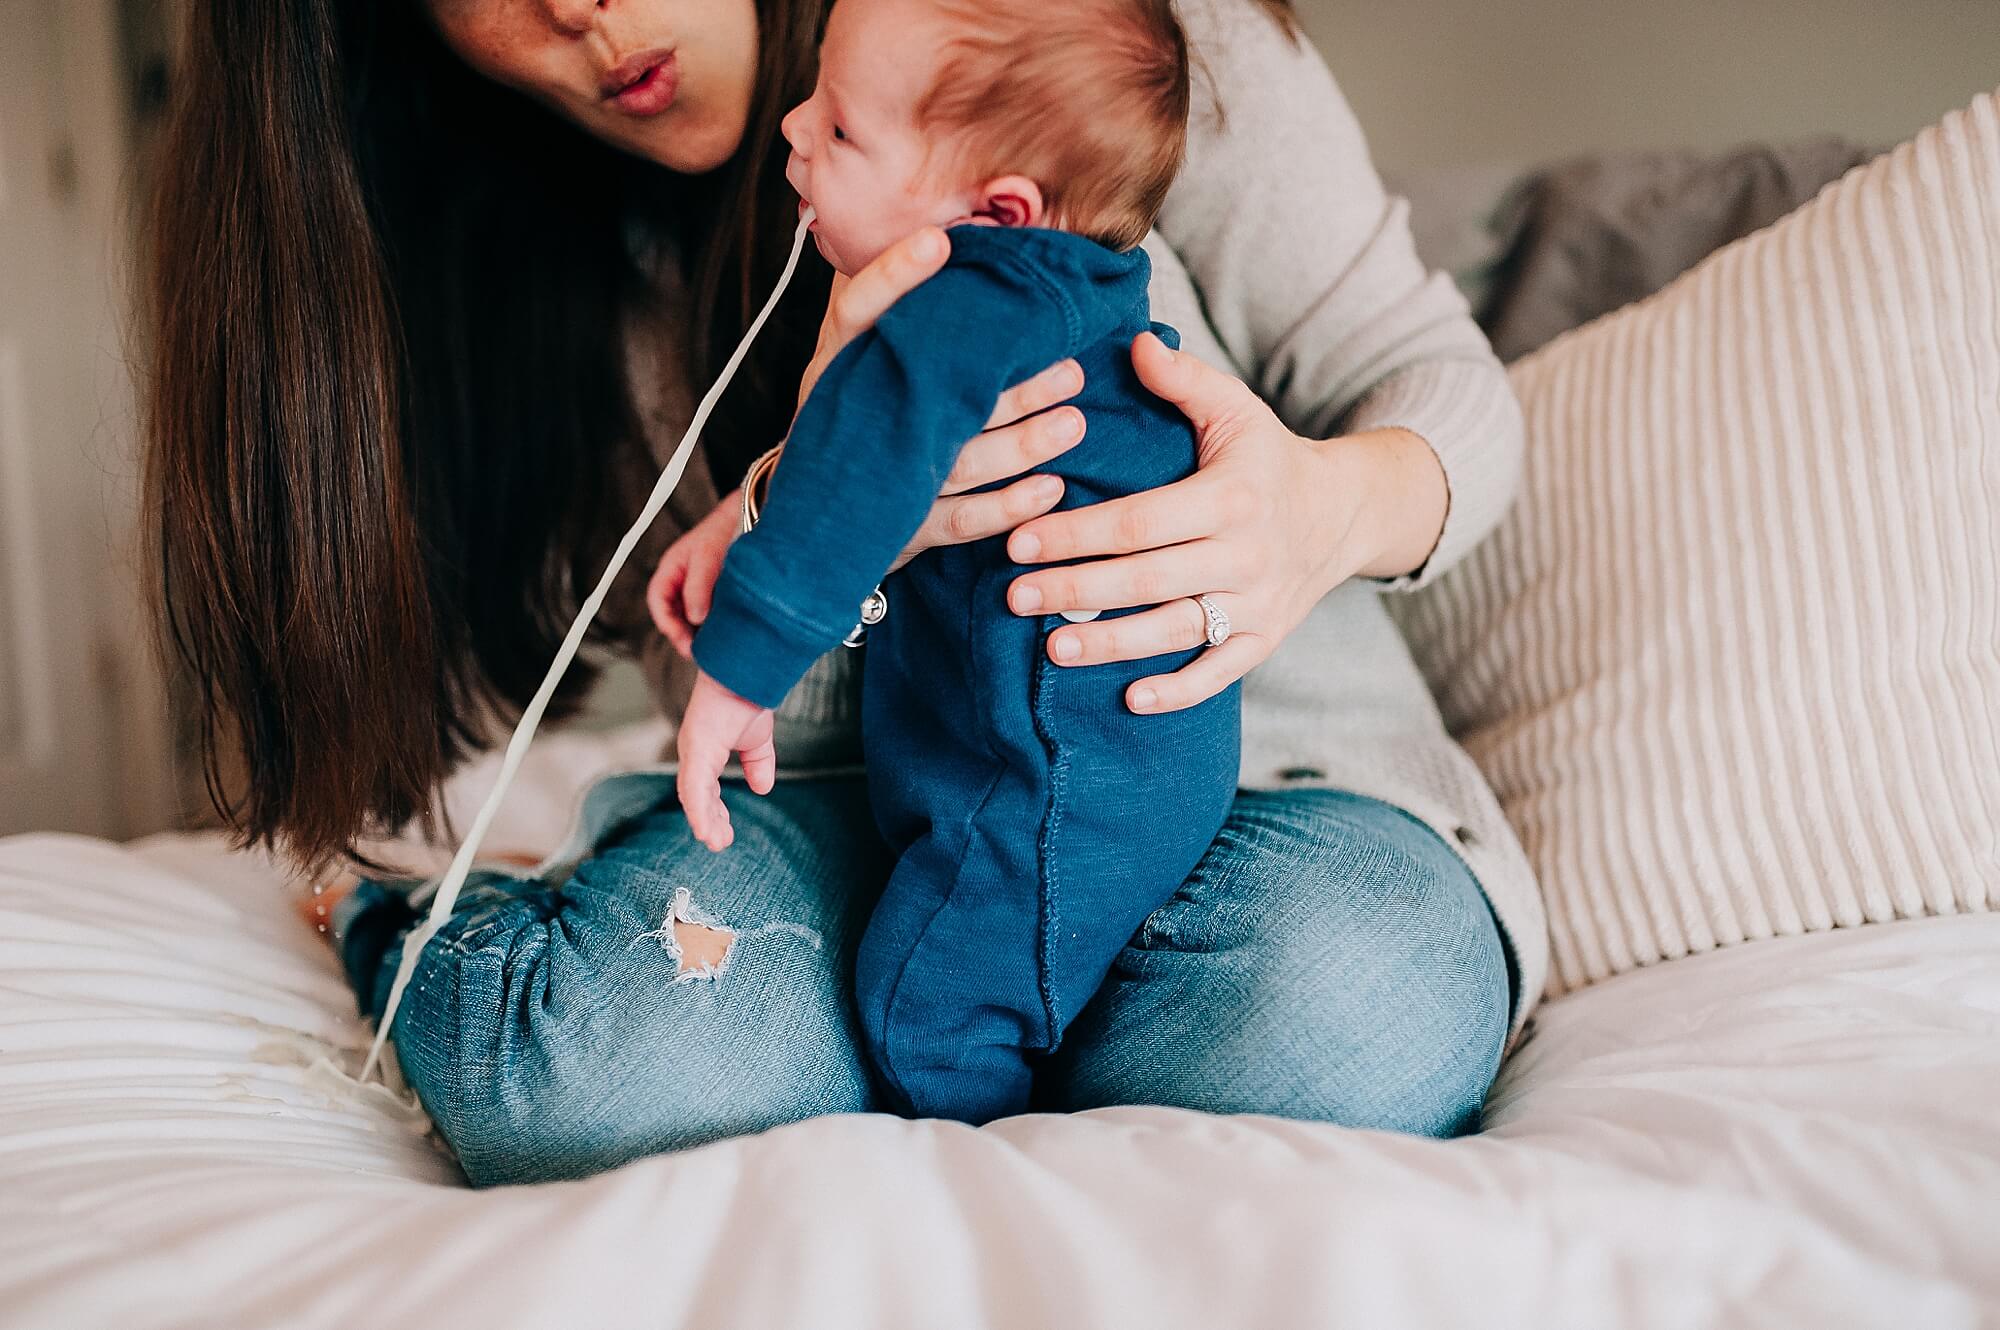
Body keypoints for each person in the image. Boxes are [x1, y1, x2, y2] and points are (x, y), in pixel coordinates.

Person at [144, 0, 1547, 1187]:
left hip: (1274, 806)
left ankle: (974, 1050)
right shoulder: (549, 283)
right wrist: (823, 499)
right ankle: (398, 922)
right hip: (881, 817)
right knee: (585, 1065)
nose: (577, 1)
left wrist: (1316, 510)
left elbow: (1440, 387)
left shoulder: (1102, 44)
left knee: (1345, 1012)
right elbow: (732, 710)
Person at [668, 0, 1240, 1123]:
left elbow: (863, 452)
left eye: (839, 131)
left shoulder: (967, 296)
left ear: (995, 213)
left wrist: (741, 674)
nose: (790, 129)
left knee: (923, 1010)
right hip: (1122, 763)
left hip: (1052, 784)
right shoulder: (1082, 284)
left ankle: (978, 1187)